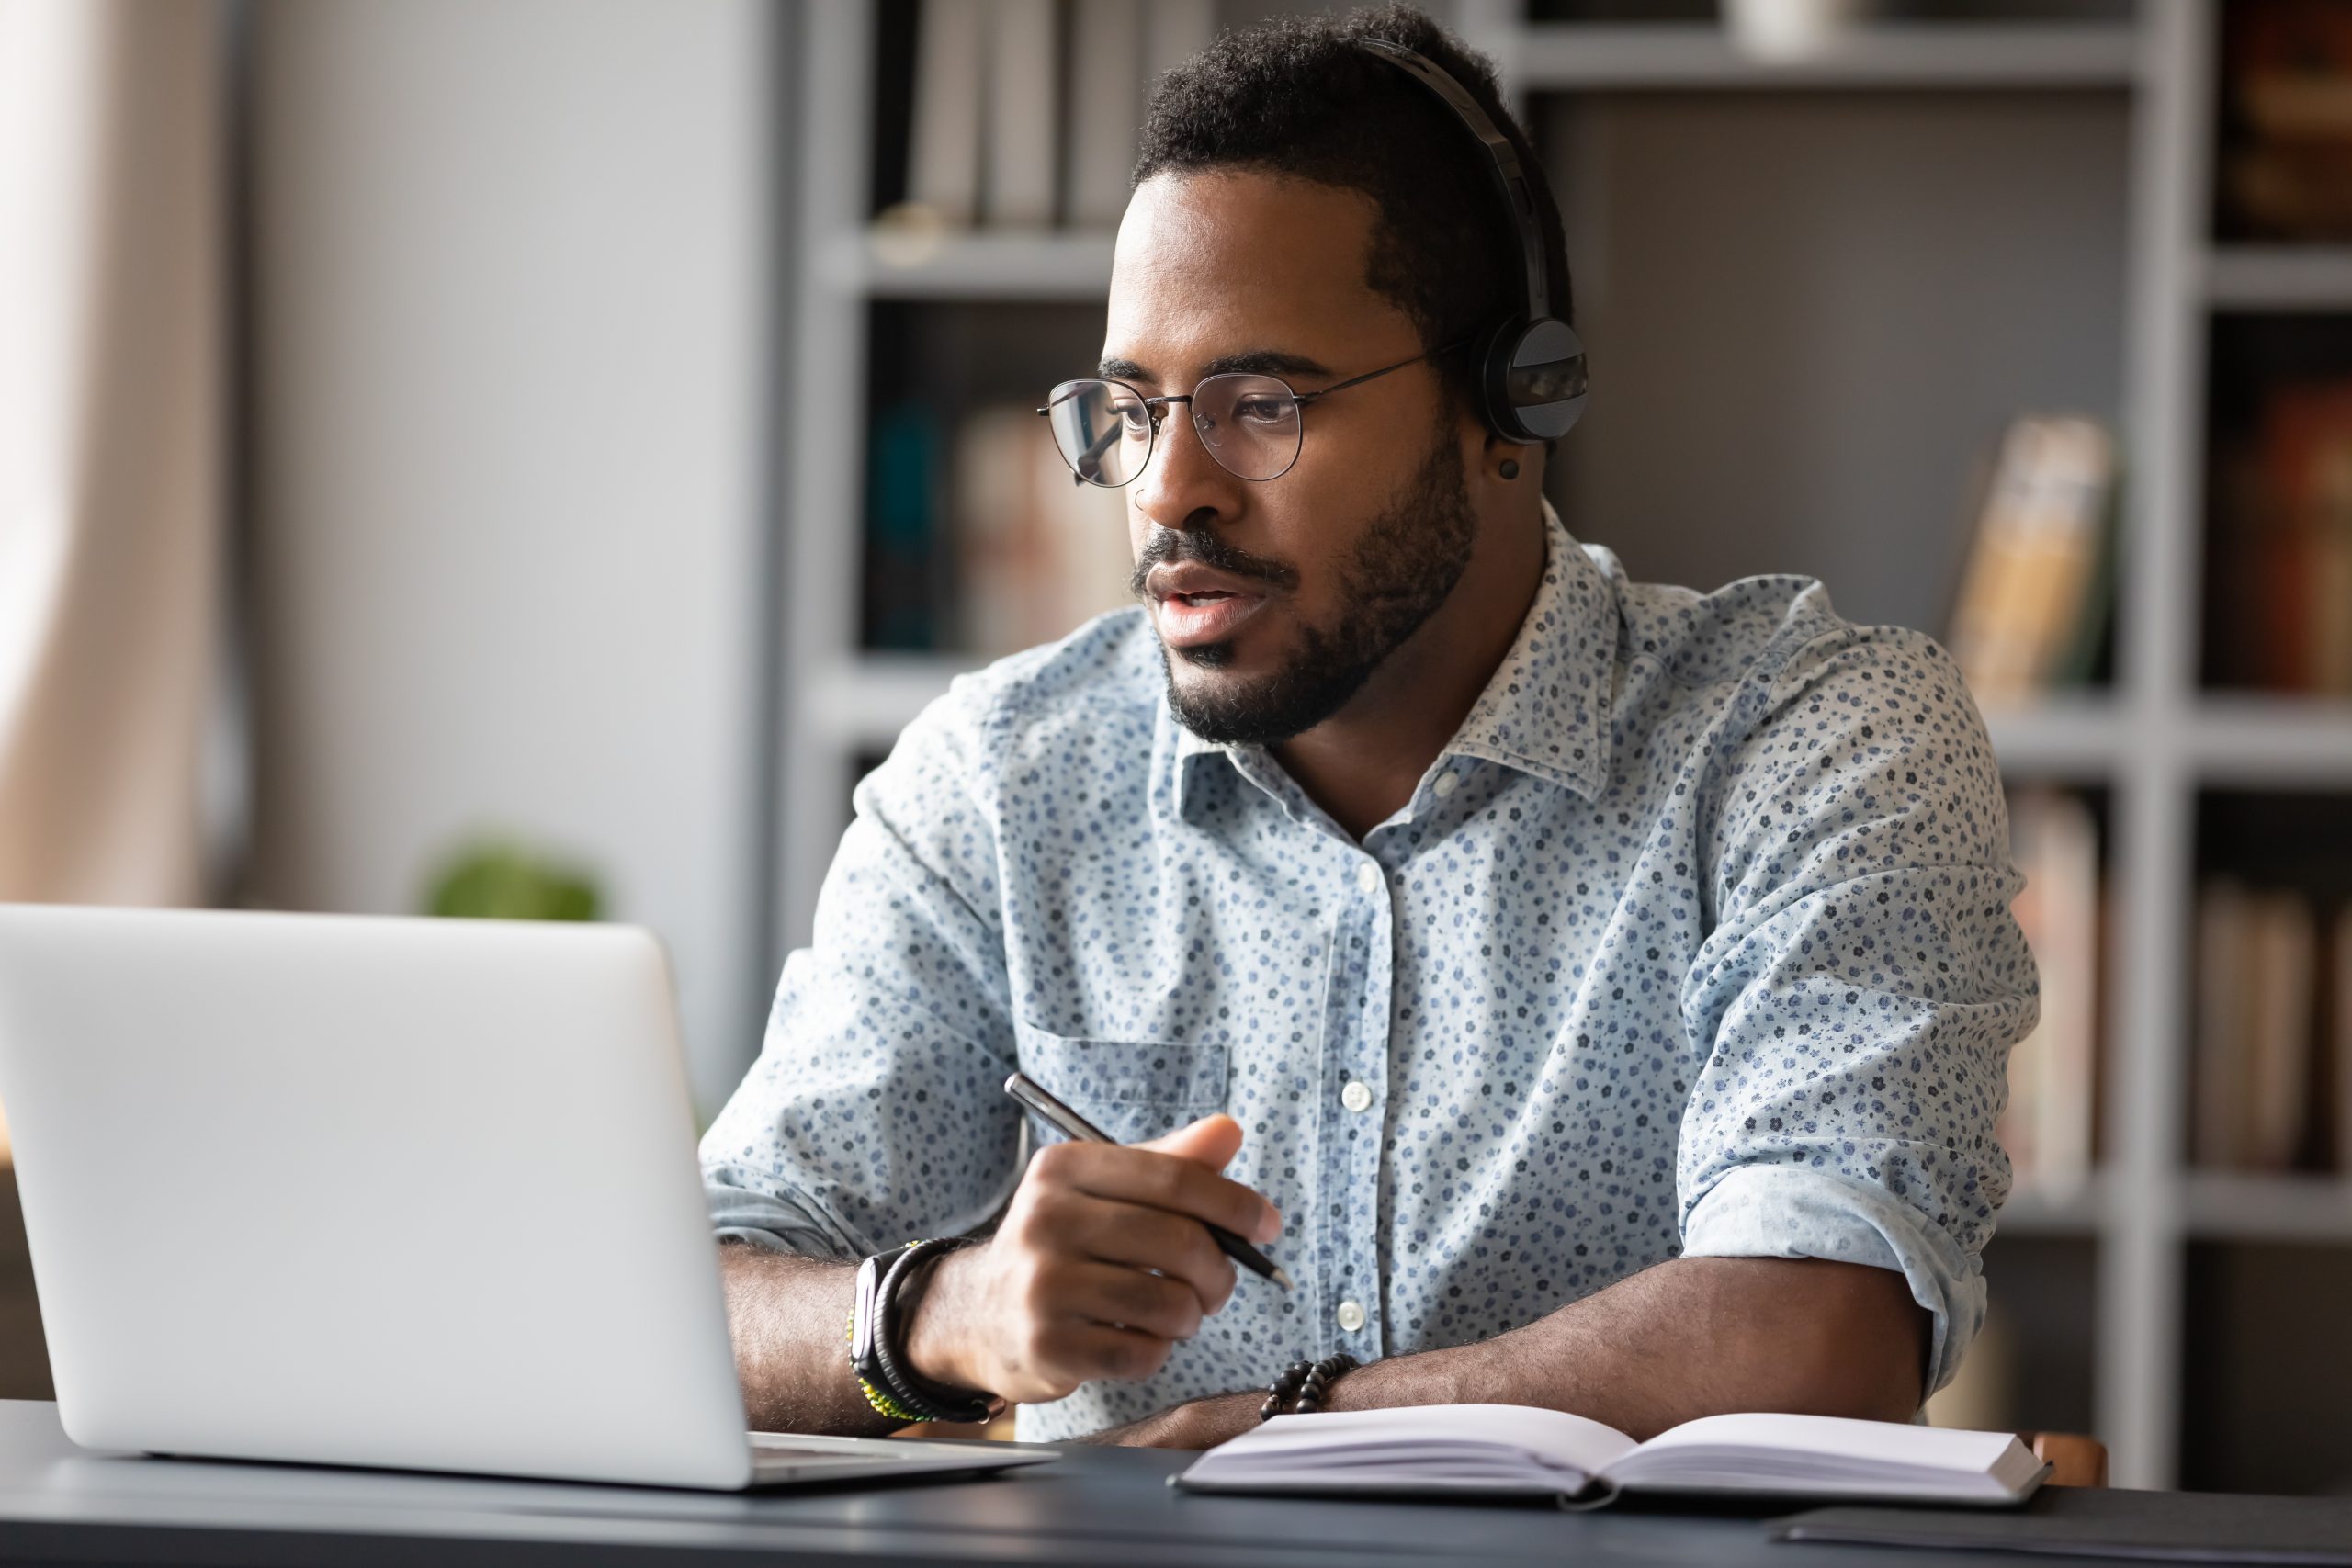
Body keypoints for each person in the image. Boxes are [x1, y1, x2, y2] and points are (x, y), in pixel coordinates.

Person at [701, 2, 2034, 1449]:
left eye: (1260, 403)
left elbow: (1817, 1333)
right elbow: (692, 1297)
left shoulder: (1809, 738)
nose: (1165, 490)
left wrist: (1297, 1425)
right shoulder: (1003, 782)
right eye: (1133, 410)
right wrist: (936, 1317)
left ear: (1511, 402)